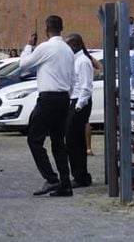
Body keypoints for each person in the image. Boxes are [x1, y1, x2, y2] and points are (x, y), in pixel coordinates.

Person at [19, 14, 75, 197]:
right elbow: (72, 79)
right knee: (58, 142)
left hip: (48, 98)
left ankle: (51, 178)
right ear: (62, 28)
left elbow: (23, 64)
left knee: (34, 140)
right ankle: (65, 184)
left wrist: (29, 45)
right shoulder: (68, 50)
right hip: (64, 98)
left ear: (46, 29)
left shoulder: (45, 47)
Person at [64, 33, 96, 188]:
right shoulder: (75, 61)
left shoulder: (83, 61)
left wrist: (78, 106)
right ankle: (78, 174)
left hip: (79, 102)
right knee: (72, 141)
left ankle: (81, 175)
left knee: (74, 141)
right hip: (74, 100)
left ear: (74, 45)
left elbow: (86, 86)